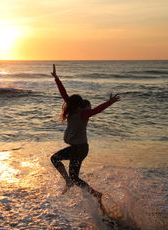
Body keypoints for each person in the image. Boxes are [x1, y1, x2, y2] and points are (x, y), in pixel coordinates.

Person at [50, 64, 120, 208]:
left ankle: (92, 193)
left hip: (80, 149)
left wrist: (109, 102)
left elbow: (96, 110)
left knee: (65, 168)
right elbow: (64, 94)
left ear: (75, 104)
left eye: (70, 103)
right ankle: (87, 190)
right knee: (65, 168)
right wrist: (57, 79)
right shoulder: (74, 111)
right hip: (77, 148)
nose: (67, 104)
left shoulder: (83, 113)